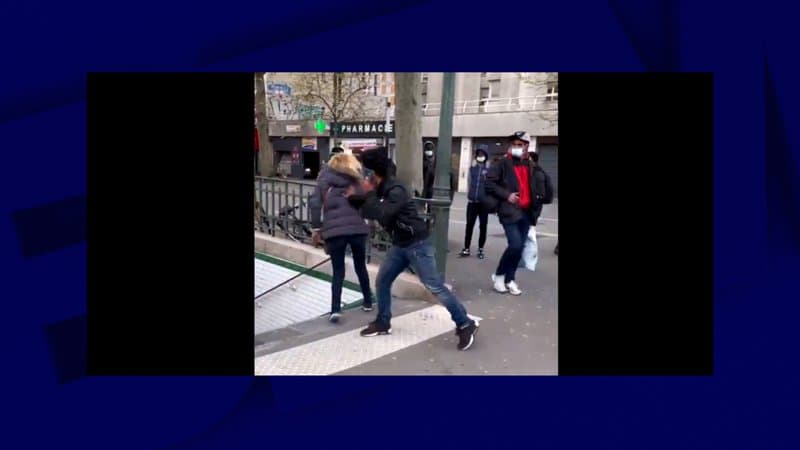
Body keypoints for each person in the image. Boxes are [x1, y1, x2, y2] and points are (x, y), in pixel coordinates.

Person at [351, 147, 479, 350]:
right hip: (400, 245)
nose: (362, 176)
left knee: (434, 286)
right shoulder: (382, 188)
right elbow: (368, 207)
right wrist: (349, 196)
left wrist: (368, 193)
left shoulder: (397, 190)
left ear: (374, 173)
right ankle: (383, 322)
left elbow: (381, 213)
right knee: (383, 281)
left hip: (417, 244)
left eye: (365, 171)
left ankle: (465, 323)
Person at [309, 153, 374, 323]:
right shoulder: (356, 179)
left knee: (338, 271)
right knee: (361, 266)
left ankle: (335, 309)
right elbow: (365, 201)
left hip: (335, 231)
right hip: (357, 229)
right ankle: (368, 301)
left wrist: (316, 228)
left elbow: (315, 204)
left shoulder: (324, 179)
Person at [484, 131, 545, 296]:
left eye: (520, 144)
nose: (516, 147)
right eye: (514, 144)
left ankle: (510, 279)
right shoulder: (502, 163)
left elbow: (538, 186)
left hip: (526, 212)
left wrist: (537, 206)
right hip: (509, 211)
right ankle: (499, 275)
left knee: (520, 248)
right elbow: (489, 183)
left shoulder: (530, 164)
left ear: (526, 146)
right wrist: (507, 195)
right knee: (515, 245)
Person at [518, 150, 547, 271]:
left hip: (531, 210)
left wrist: (534, 209)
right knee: (525, 234)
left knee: (529, 235)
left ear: (532, 160)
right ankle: (524, 260)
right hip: (529, 209)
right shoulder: (535, 172)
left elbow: (541, 194)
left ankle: (529, 262)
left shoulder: (537, 173)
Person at [459, 147, 490, 259]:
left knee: (483, 227)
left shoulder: (489, 170)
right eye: (478, 154)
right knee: (469, 226)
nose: (480, 156)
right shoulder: (472, 169)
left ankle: (480, 249)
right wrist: (469, 194)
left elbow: (491, 186)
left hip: (484, 204)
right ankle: (466, 248)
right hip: (472, 202)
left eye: (482, 154)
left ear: (486, 156)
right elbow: (469, 183)